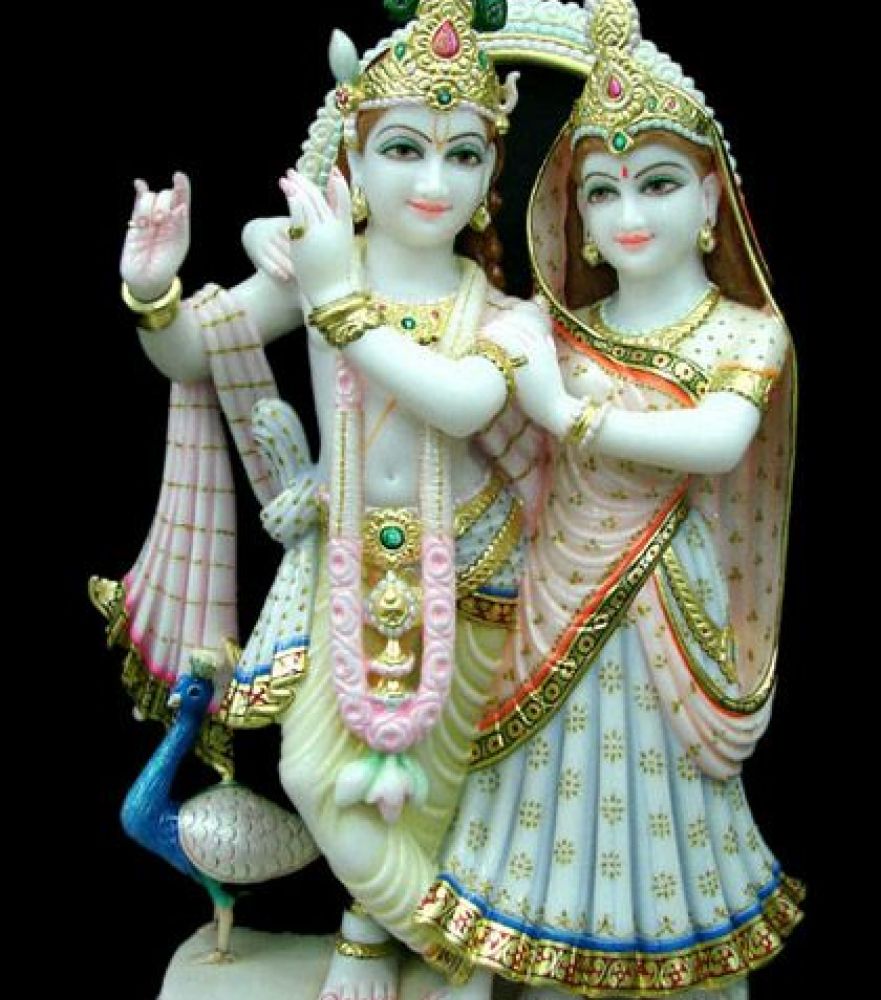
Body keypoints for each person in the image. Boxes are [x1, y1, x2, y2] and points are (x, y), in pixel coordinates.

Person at [96, 2, 556, 997]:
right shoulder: (314, 272)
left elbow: (465, 400)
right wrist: (152, 291)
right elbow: (197, 349)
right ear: (355, 151)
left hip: (473, 561)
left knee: (442, 780)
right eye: (404, 150)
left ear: (491, 174)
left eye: (464, 157)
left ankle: (369, 926)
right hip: (342, 554)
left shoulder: (500, 314)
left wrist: (334, 290)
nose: (433, 184)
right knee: (313, 773)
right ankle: (462, 947)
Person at [408, 1, 803, 997]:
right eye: (602, 190)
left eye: (658, 182)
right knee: (542, 779)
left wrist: (568, 414)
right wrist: (352, 300)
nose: (630, 211)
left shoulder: (746, 333)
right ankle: (531, 953)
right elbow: (469, 400)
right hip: (552, 586)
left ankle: (671, 955)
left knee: (659, 782)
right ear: (574, 216)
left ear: (710, 197)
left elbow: (718, 440)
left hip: (667, 593)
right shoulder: (553, 328)